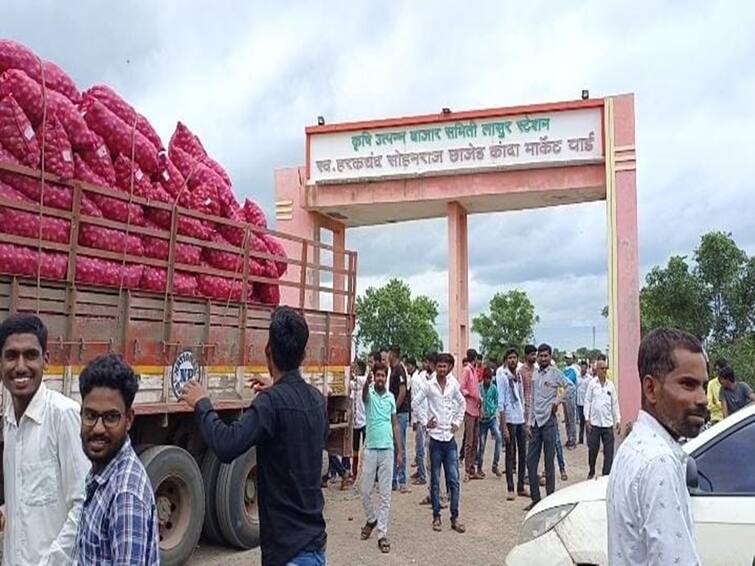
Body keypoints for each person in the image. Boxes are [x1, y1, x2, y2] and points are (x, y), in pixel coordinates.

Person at [180, 306, 328, 566]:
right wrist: (279, 389)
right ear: (303, 355)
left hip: (287, 552)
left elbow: (226, 445)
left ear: (268, 351)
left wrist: (202, 404)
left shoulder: (270, 404)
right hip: (314, 547)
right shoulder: (316, 401)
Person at [607, 328, 708, 565]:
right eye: (688, 384)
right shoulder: (658, 461)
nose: (702, 398)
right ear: (651, 388)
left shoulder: (635, 446)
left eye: (703, 385)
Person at [0, 313, 90, 565]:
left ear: (45, 360)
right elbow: (26, 498)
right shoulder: (9, 423)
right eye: (11, 356)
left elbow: (83, 505)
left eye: (30, 355)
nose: (20, 366)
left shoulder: (64, 416)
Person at [75, 354, 159, 564]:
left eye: (111, 417)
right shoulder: (103, 472)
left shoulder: (125, 495)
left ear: (129, 419)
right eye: (90, 415)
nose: (98, 428)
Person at [411, 353, 466, 533]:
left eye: (445, 366)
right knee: (435, 481)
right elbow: (415, 402)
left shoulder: (453, 385)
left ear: (449, 367)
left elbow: (462, 403)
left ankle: (455, 517)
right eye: (439, 366)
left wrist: (457, 422)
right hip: (435, 439)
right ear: (436, 367)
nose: (442, 369)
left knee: (454, 480)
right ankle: (436, 516)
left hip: (449, 439)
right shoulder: (429, 386)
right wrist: (425, 421)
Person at [359, 362, 402, 554]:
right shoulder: (369, 394)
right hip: (370, 448)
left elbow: (395, 425)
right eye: (377, 375)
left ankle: (382, 534)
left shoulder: (391, 398)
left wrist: (399, 450)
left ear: (386, 377)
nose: (380, 378)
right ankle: (371, 519)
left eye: (383, 375)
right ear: (374, 376)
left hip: (387, 449)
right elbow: (363, 396)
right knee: (365, 490)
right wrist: (365, 382)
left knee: (385, 495)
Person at [526, 343, 574, 508]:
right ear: (538, 357)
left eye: (546, 356)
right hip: (535, 424)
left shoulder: (555, 373)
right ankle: (536, 500)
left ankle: (550, 501)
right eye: (541, 356)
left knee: (548, 462)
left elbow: (570, 387)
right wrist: (529, 422)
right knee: (530, 462)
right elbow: (532, 399)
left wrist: (557, 401)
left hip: (549, 422)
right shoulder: (535, 375)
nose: (543, 358)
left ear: (550, 357)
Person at [498, 348, 529, 500]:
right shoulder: (503, 377)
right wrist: (503, 426)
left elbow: (522, 397)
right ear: (506, 360)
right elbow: (501, 402)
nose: (512, 360)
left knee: (523, 453)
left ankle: (521, 486)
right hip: (509, 419)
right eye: (509, 358)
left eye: (514, 358)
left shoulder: (518, 376)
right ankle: (510, 487)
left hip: (520, 418)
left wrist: (525, 419)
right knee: (510, 454)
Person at [584, 358, 621, 479]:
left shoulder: (610, 386)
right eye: (602, 368)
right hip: (594, 423)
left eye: (605, 368)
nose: (604, 371)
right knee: (593, 450)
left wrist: (618, 420)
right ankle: (591, 470)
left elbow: (615, 403)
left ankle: (606, 475)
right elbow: (587, 401)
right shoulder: (592, 384)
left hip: (608, 423)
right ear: (597, 370)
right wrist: (587, 418)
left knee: (609, 452)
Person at [411, 352, 436, 486]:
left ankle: (423, 477)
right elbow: (416, 402)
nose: (425, 365)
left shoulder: (431, 379)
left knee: (426, 452)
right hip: (424, 420)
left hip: (428, 421)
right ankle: (424, 477)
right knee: (423, 451)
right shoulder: (421, 378)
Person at [387, 345, 410, 493]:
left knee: (400, 446)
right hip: (397, 413)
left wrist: (394, 410)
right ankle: (394, 480)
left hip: (400, 414)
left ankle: (401, 479)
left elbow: (402, 392)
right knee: (394, 447)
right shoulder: (394, 370)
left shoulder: (399, 370)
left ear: (393, 354)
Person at [460, 348, 482, 480]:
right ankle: (467, 470)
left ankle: (472, 468)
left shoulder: (474, 371)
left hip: (476, 408)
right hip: (469, 408)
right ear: (474, 359)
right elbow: (461, 388)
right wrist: (471, 395)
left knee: (475, 441)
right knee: (469, 441)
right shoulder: (467, 370)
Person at [477, 365, 501, 478]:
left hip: (491, 418)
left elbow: (497, 402)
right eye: (486, 378)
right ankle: (480, 467)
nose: (487, 380)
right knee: (481, 444)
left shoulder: (494, 388)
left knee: (499, 437)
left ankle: (495, 465)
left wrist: (493, 410)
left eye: (489, 378)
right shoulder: (479, 387)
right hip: (482, 420)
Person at [350, 359, 368, 480]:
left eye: (355, 368)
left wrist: (352, 375)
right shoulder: (354, 386)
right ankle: (355, 472)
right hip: (356, 422)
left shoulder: (363, 382)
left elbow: (361, 380)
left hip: (365, 421)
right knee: (355, 450)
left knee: (366, 450)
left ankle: (366, 473)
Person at [561, 352, 579, 448]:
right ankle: (569, 438)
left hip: (571, 396)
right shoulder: (564, 369)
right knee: (567, 419)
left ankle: (573, 440)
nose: (567, 360)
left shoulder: (574, 370)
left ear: (572, 359)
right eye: (566, 358)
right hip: (564, 396)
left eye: (569, 358)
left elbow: (568, 381)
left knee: (572, 419)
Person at [706, 358, 726, 425]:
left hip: (730, 417)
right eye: (716, 370)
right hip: (716, 418)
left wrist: (717, 404)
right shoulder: (711, 384)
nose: (718, 372)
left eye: (719, 370)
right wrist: (721, 406)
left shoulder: (729, 383)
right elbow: (710, 405)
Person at [576, 360, 591, 444]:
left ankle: (589, 440)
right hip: (579, 403)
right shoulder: (577, 377)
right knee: (581, 422)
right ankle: (580, 439)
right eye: (582, 367)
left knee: (587, 421)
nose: (583, 369)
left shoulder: (589, 379)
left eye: (585, 368)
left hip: (587, 404)